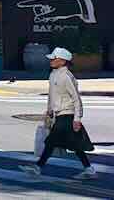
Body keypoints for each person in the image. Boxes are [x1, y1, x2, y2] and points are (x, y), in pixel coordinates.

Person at [21, 47, 97, 179]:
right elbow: (52, 95)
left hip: (67, 114)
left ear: (62, 61)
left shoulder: (67, 77)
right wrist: (49, 110)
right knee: (74, 144)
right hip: (59, 114)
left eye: (54, 58)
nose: (51, 60)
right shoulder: (53, 74)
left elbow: (76, 98)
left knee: (51, 142)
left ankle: (38, 167)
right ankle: (89, 169)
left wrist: (77, 118)